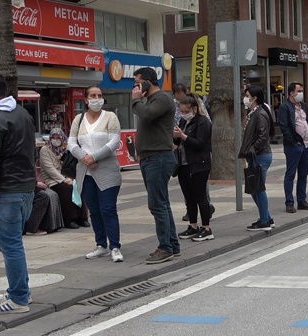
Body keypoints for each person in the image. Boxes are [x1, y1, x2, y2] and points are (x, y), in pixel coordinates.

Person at [0, 71, 35, 314]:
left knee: (10, 247)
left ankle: (19, 299)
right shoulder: (22, 113)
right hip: (25, 189)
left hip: (5, 193)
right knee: (13, 245)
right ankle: (19, 290)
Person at [68, 86, 123, 262]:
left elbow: (114, 141)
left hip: (106, 170)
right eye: (93, 95)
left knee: (108, 209)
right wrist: (84, 157)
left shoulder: (110, 117)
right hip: (85, 172)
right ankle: (101, 245)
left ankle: (115, 246)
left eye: (99, 95)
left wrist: (94, 157)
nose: (97, 98)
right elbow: (71, 142)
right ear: (86, 99)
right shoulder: (79, 119)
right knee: (94, 210)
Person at [131, 67, 180, 264]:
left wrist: (136, 99)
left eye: (137, 82)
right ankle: (172, 244)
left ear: (147, 82)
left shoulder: (162, 98)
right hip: (150, 157)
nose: (135, 86)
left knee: (157, 204)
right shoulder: (151, 100)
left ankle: (165, 247)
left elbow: (148, 115)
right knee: (162, 203)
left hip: (158, 158)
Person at [174, 93, 214, 241]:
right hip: (184, 164)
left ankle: (206, 228)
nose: (184, 115)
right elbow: (179, 142)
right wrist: (176, 138)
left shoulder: (203, 122)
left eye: (186, 111)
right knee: (189, 197)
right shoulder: (184, 122)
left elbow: (201, 144)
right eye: (182, 112)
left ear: (195, 109)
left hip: (199, 164)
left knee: (200, 196)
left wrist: (183, 137)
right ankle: (193, 225)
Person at [240, 87, 276, 230]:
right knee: (255, 187)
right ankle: (266, 217)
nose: (245, 98)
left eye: (247, 96)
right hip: (256, 155)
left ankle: (264, 220)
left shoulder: (259, 114)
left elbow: (263, 136)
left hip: (260, 155)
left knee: (258, 189)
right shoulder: (254, 113)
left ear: (254, 98)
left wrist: (252, 149)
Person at [278, 82, 308, 213]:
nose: (301, 93)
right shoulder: (285, 107)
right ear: (291, 93)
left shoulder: (303, 106)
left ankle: (302, 200)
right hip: (294, 145)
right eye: (298, 91)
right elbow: (284, 126)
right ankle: (289, 202)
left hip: (306, 144)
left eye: (301, 90)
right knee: (290, 174)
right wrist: (294, 141)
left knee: (303, 174)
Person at [39, 128, 89, 230]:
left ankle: (82, 217)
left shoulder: (65, 149)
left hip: (66, 177)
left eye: (58, 138)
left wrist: (69, 178)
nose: (56, 140)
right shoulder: (45, 150)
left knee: (78, 187)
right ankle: (69, 219)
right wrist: (63, 180)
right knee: (67, 189)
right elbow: (50, 169)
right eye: (53, 138)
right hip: (52, 180)